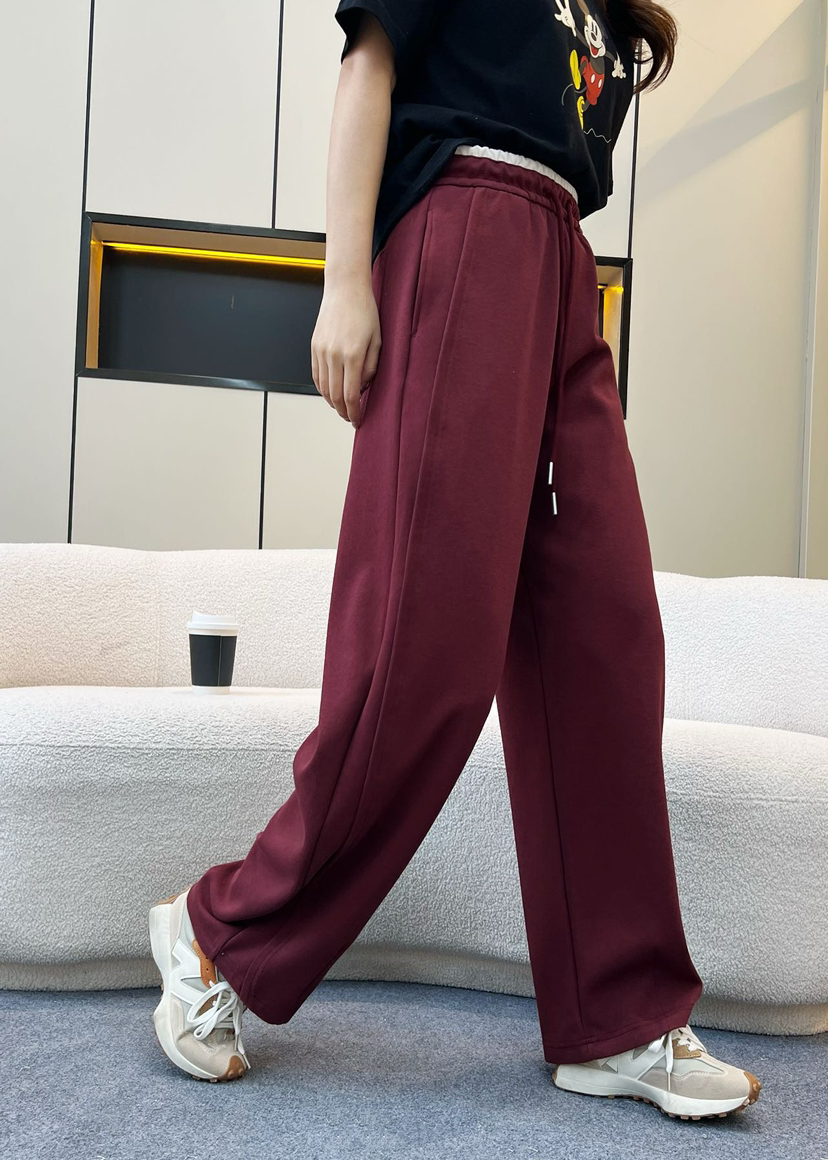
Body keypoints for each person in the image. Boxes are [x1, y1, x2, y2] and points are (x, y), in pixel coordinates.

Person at [147, 0, 762, 1120]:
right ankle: (217, 933)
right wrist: (344, 282)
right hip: (463, 230)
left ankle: (619, 1012)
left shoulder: (605, 18)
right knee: (426, 658)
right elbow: (370, 67)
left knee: (605, 645)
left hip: (561, 270)